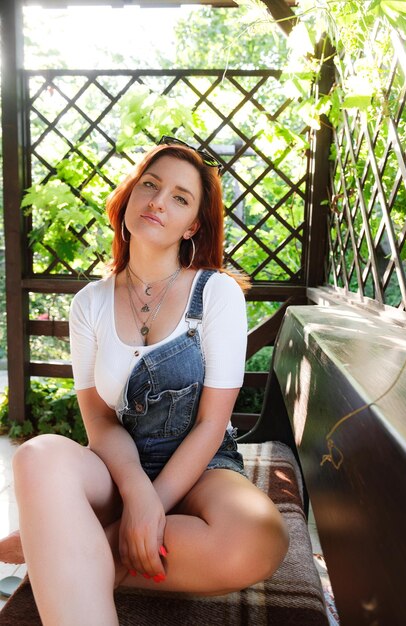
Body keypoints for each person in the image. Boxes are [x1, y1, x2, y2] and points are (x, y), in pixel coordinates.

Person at [0, 137, 289, 626]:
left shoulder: (215, 294)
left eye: (180, 197)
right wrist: (136, 493)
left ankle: (61, 543)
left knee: (258, 539)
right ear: (130, 196)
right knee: (38, 454)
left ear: (193, 224)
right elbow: (98, 420)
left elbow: (212, 423)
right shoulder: (89, 303)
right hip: (118, 465)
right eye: (150, 185)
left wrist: (152, 505)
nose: (158, 200)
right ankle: (69, 540)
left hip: (202, 464)